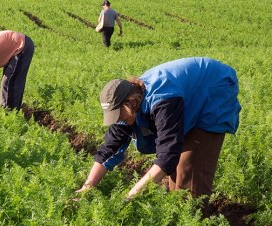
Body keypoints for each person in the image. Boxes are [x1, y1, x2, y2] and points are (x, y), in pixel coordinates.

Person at [76, 57, 241, 199]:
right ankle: (179, 217)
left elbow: (167, 156)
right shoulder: (128, 108)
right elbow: (109, 150)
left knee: (189, 172)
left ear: (130, 102)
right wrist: (86, 188)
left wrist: (131, 196)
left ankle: (194, 223)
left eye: (119, 115)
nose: (118, 120)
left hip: (213, 90)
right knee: (176, 178)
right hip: (187, 96)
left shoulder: (162, 101)